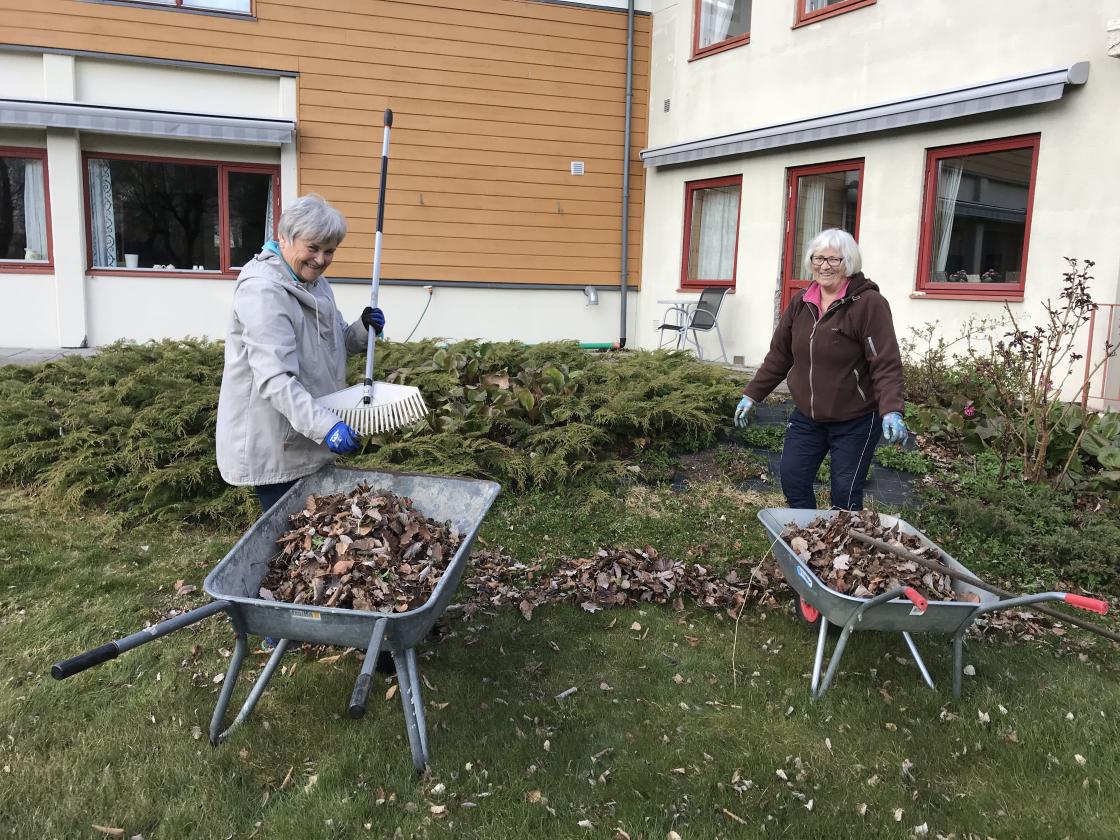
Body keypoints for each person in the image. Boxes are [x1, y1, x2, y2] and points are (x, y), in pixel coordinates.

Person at [216, 193, 386, 514]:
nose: (320, 260)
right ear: (284, 238)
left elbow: (336, 342)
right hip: (278, 442)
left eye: (329, 251)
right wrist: (327, 427)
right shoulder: (263, 291)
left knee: (317, 530)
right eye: (313, 248)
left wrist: (363, 329)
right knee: (291, 534)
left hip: (310, 434)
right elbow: (275, 380)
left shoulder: (315, 283)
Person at [733, 228, 907, 510]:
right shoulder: (802, 302)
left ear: (848, 263)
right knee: (793, 479)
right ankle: (808, 533)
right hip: (808, 416)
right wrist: (752, 394)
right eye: (819, 258)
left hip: (855, 419)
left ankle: (844, 538)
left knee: (845, 494)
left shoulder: (869, 304)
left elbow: (884, 362)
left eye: (834, 259)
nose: (825, 266)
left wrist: (891, 410)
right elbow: (780, 355)